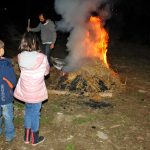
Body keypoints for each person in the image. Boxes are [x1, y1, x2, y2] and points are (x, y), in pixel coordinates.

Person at [14, 32, 50, 146]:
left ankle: (26, 137)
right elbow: (46, 72)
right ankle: (34, 139)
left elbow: (22, 69)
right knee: (35, 114)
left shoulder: (20, 57)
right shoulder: (42, 57)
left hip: (25, 90)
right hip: (36, 91)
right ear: (35, 43)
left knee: (28, 112)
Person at [0, 40, 17, 142]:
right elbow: (13, 82)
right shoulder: (6, 64)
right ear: (1, 51)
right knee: (8, 116)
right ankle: (9, 135)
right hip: (5, 96)